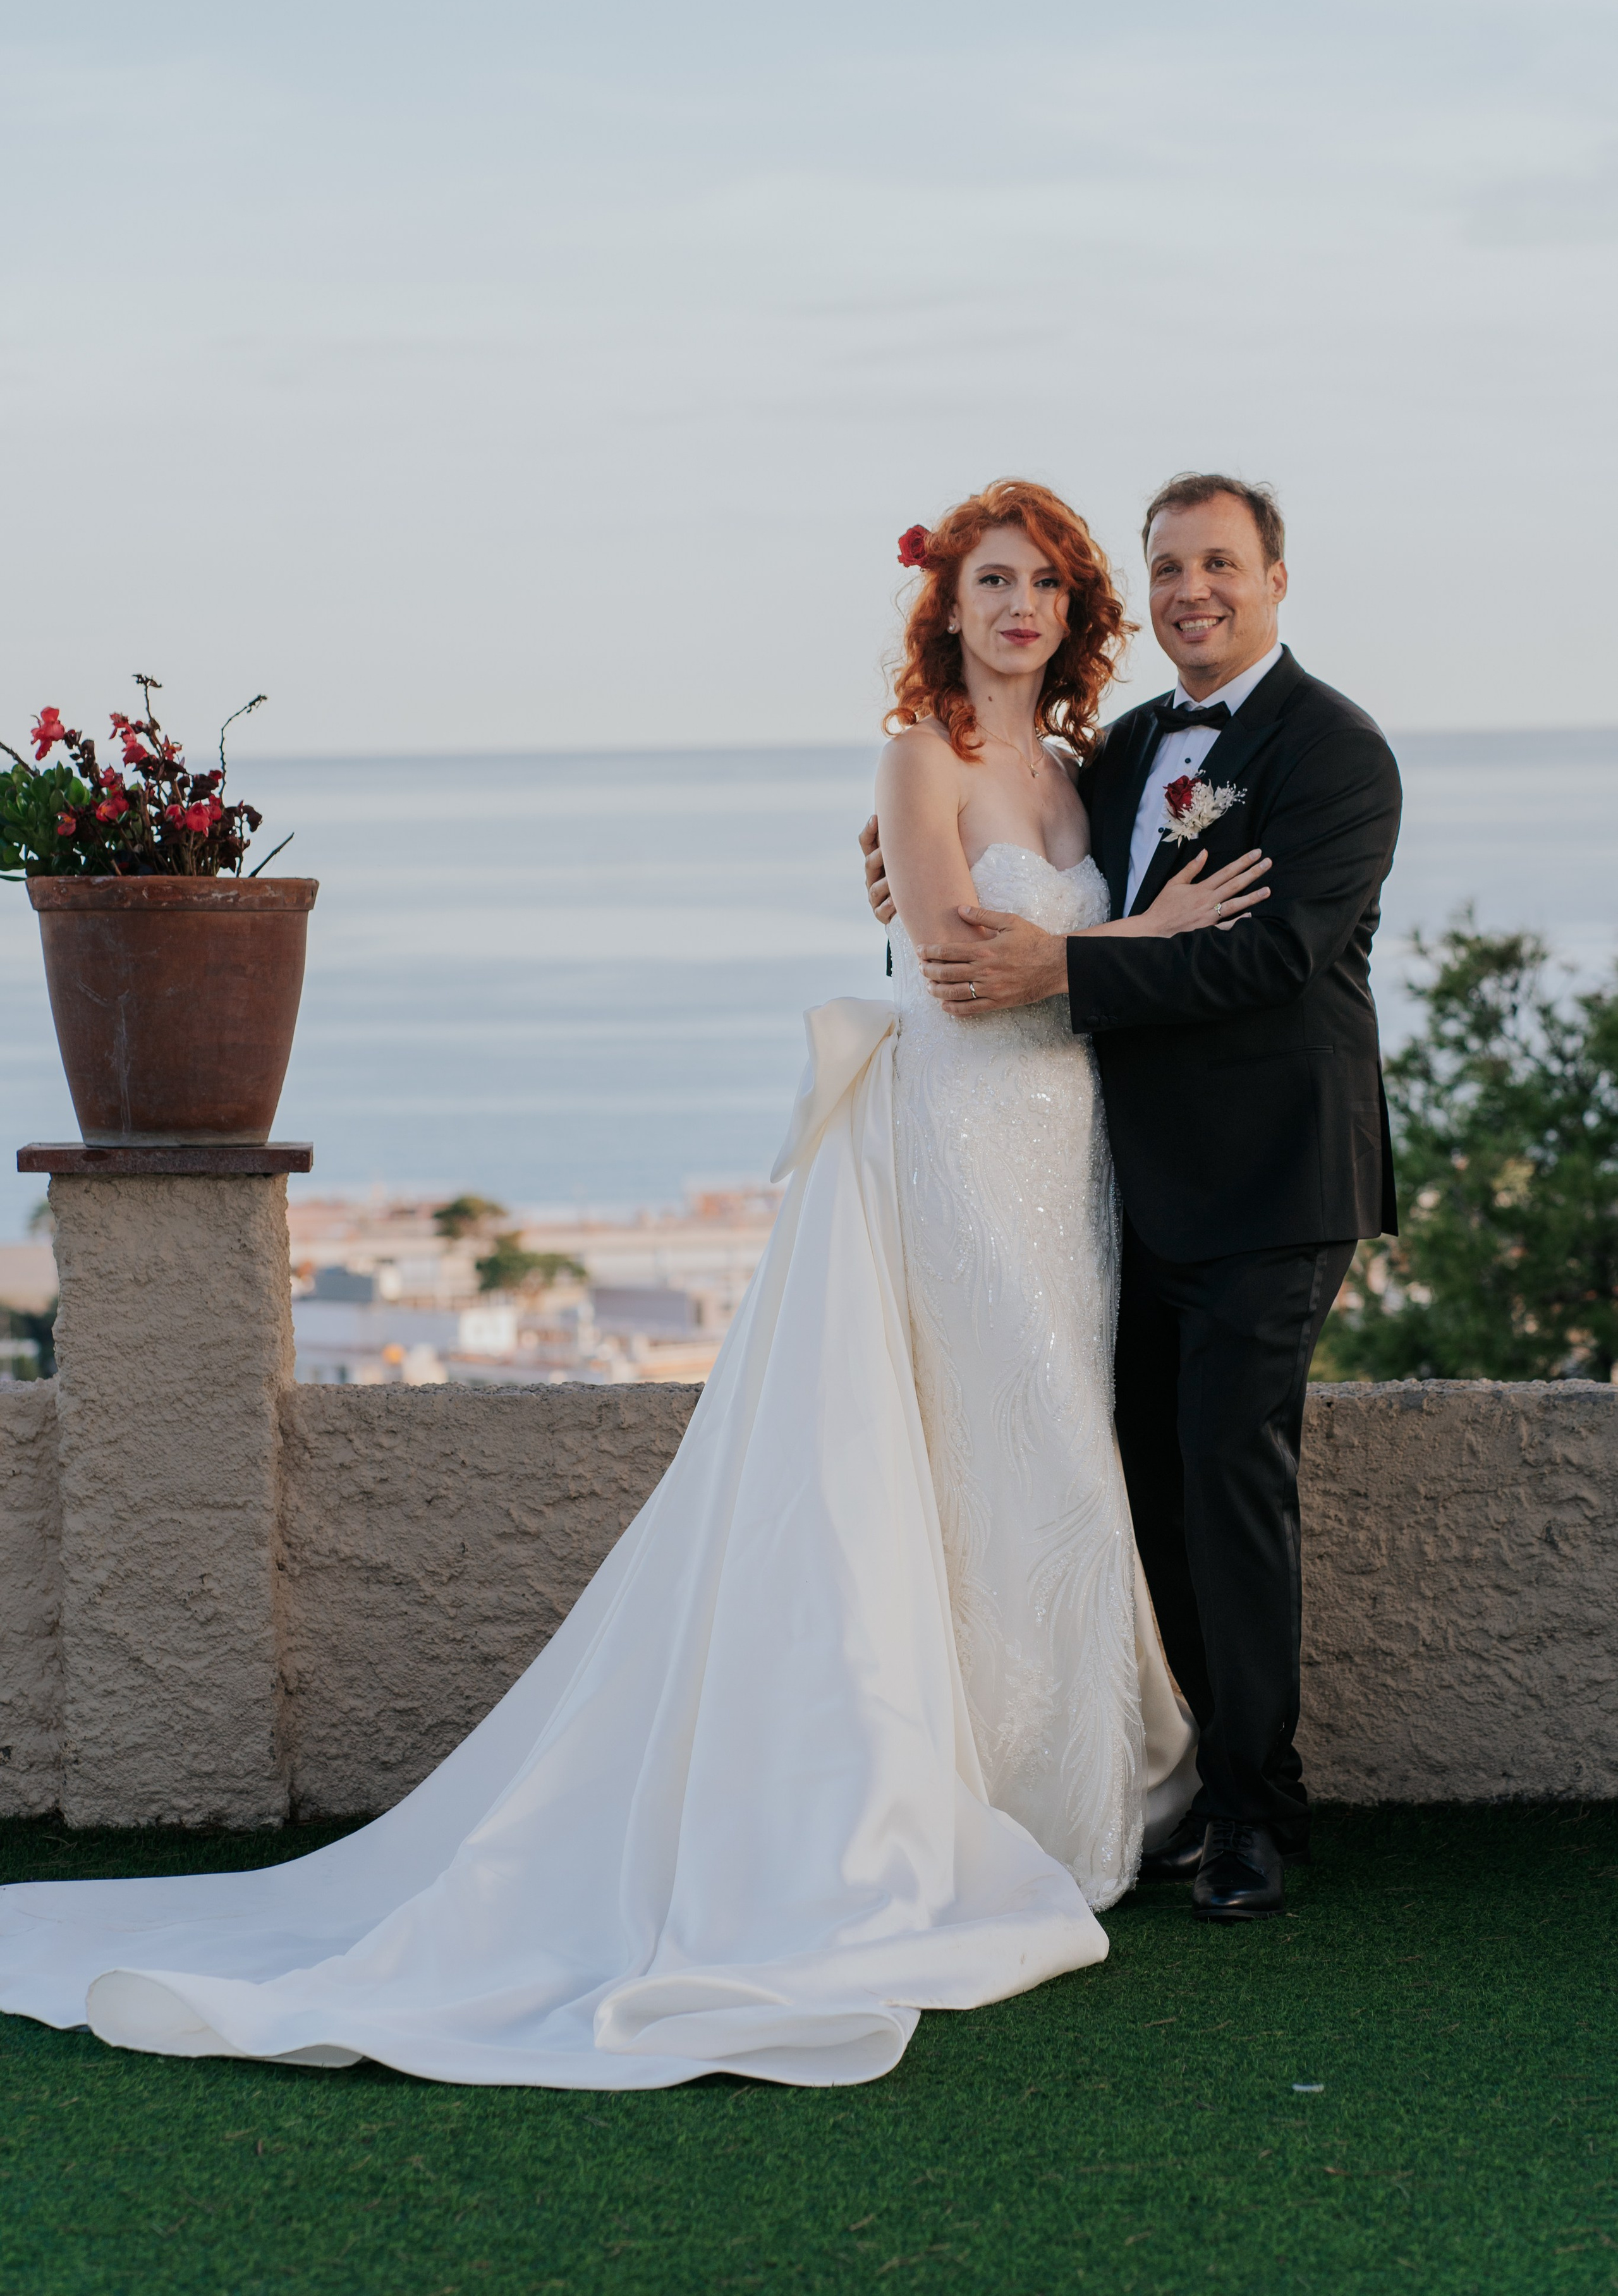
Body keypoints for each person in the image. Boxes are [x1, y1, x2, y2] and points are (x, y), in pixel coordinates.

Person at [0, 481, 1265, 2089]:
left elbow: (1038, 954)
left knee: (1037, 1460)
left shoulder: (1079, 772)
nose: (1016, 608)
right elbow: (955, 961)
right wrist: (1156, 932)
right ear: (945, 608)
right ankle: (979, 1817)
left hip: (1061, 1157)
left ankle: (1053, 1792)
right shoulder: (916, 756)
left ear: (1070, 618)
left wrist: (1121, 931)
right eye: (989, 582)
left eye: (1040, 587)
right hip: (952, 1147)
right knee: (1023, 1447)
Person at [863, 473, 1401, 1920]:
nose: (1192, 590)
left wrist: (1068, 965)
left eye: (1219, 563)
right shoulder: (1123, 750)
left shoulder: (1335, 753)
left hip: (1273, 1181)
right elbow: (1019, 845)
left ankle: (1250, 1812)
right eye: (1168, 566)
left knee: (1228, 1478)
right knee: (1129, 1482)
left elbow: (1269, 958)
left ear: (1275, 578)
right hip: (1105, 1184)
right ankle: (1140, 1776)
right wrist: (898, 845)